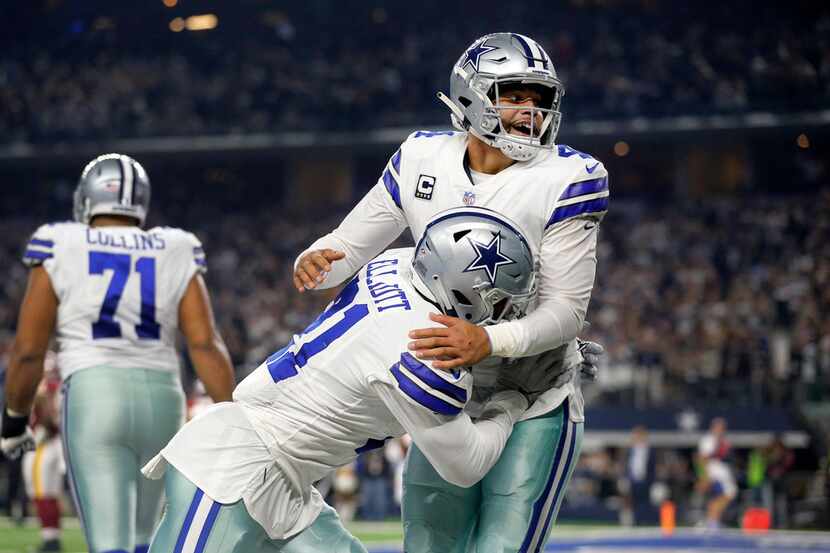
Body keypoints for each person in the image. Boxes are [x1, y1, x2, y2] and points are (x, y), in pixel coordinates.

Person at [293, 32, 608, 551]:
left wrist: (489, 342)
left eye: (539, 99)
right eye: (514, 95)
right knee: (428, 545)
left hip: (533, 392)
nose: (530, 111)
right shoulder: (421, 157)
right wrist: (314, 260)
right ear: (472, 94)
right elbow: (345, 249)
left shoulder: (569, 176)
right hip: (447, 395)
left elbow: (568, 313)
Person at [141, 209, 534, 552]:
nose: (504, 313)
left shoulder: (396, 263)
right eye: (497, 300)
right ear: (462, 289)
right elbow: (467, 464)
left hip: (287, 484)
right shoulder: (421, 350)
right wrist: (513, 399)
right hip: (235, 469)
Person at [0, 154, 236, 553]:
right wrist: (234, 417)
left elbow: (27, 351)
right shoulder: (174, 246)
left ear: (87, 198)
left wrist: (14, 419)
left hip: (95, 393)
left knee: (110, 543)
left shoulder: (61, 242)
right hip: (163, 395)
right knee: (147, 541)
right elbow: (204, 343)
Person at [21, 358, 65, 552]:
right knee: (50, 494)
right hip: (55, 445)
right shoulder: (62, 387)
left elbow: (49, 419)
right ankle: (52, 537)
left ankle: (50, 539)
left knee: (42, 493)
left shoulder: (47, 388)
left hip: (45, 445)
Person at [697, 417, 737, 529]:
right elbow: (702, 458)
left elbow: (726, 458)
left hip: (723, 473)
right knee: (730, 493)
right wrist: (705, 476)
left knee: (720, 497)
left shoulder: (724, 440)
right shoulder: (708, 440)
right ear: (713, 427)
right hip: (714, 473)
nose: (721, 429)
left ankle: (713, 520)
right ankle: (712, 521)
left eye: (722, 427)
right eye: (718, 427)